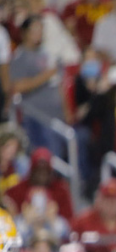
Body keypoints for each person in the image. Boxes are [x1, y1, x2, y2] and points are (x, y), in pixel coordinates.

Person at [8, 16, 66, 153]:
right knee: (50, 158)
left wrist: (66, 111)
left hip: (56, 117)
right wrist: (45, 76)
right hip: (38, 119)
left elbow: (58, 83)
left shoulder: (46, 53)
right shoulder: (20, 56)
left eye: (41, 29)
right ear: (24, 33)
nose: (39, 32)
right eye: (35, 29)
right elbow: (17, 86)